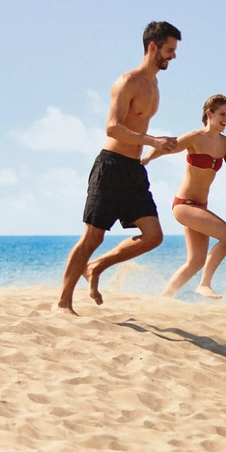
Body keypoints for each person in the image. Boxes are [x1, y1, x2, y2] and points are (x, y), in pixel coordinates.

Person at [56, 21, 181, 315]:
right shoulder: (128, 82)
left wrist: (159, 145)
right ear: (153, 47)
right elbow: (112, 128)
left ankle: (97, 266)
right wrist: (153, 140)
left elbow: (137, 126)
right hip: (110, 167)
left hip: (134, 169)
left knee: (154, 236)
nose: (173, 56)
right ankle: (62, 302)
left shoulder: (154, 85)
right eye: (169, 50)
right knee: (93, 237)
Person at [142, 95, 226, 299]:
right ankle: (204, 284)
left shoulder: (225, 144)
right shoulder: (196, 137)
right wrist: (147, 158)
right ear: (209, 114)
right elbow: (166, 146)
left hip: (199, 207)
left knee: (195, 261)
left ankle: (164, 299)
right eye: (222, 114)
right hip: (184, 205)